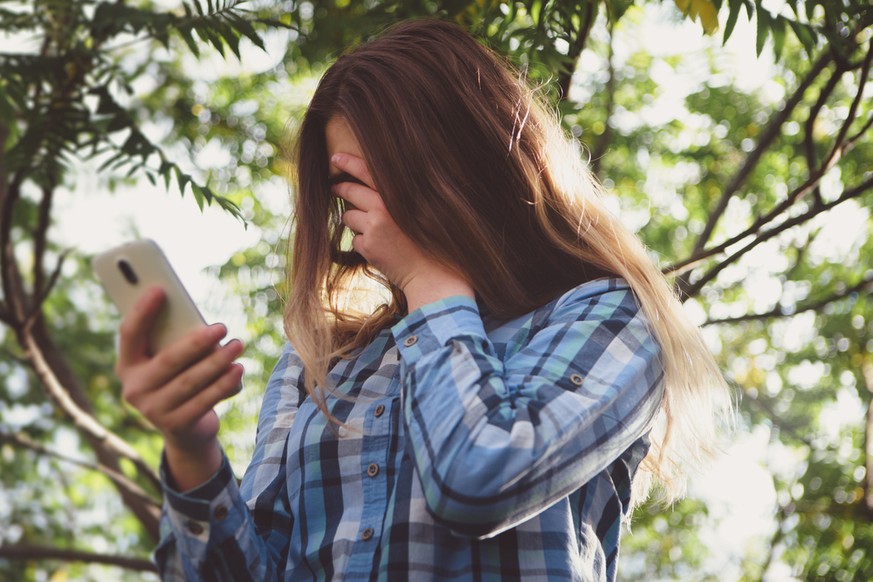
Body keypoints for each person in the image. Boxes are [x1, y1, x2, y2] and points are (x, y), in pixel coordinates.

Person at [116, 18, 731, 581]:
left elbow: (479, 480)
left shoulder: (607, 316)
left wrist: (429, 280)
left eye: (394, 171)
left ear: (475, 158)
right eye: (352, 185)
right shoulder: (321, 362)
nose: (372, 209)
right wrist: (192, 448)